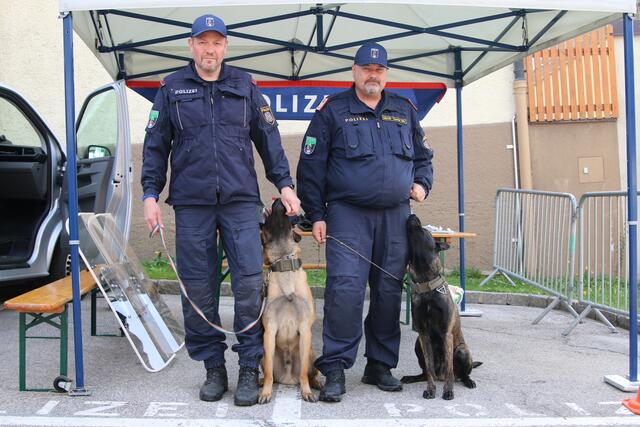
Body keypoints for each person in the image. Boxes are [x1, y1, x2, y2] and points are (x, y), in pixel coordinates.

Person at [141, 14, 300, 407]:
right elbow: (156, 145)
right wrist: (150, 195)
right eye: (202, 42)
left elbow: (268, 138)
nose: (209, 49)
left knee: (248, 283)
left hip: (240, 200)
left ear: (225, 47)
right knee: (197, 286)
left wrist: (284, 185)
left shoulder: (244, 85)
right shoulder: (171, 88)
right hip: (191, 202)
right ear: (191, 46)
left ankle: (248, 366)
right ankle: (213, 366)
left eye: (216, 42)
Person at [296, 42, 433, 402]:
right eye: (367, 69)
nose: (373, 75)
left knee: (388, 290)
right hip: (347, 214)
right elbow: (310, 166)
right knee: (345, 290)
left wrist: (422, 183)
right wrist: (316, 215)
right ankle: (336, 368)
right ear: (354, 71)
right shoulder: (333, 111)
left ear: (386, 74)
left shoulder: (404, 110)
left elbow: (423, 156)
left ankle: (380, 365)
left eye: (379, 70)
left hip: (395, 216)